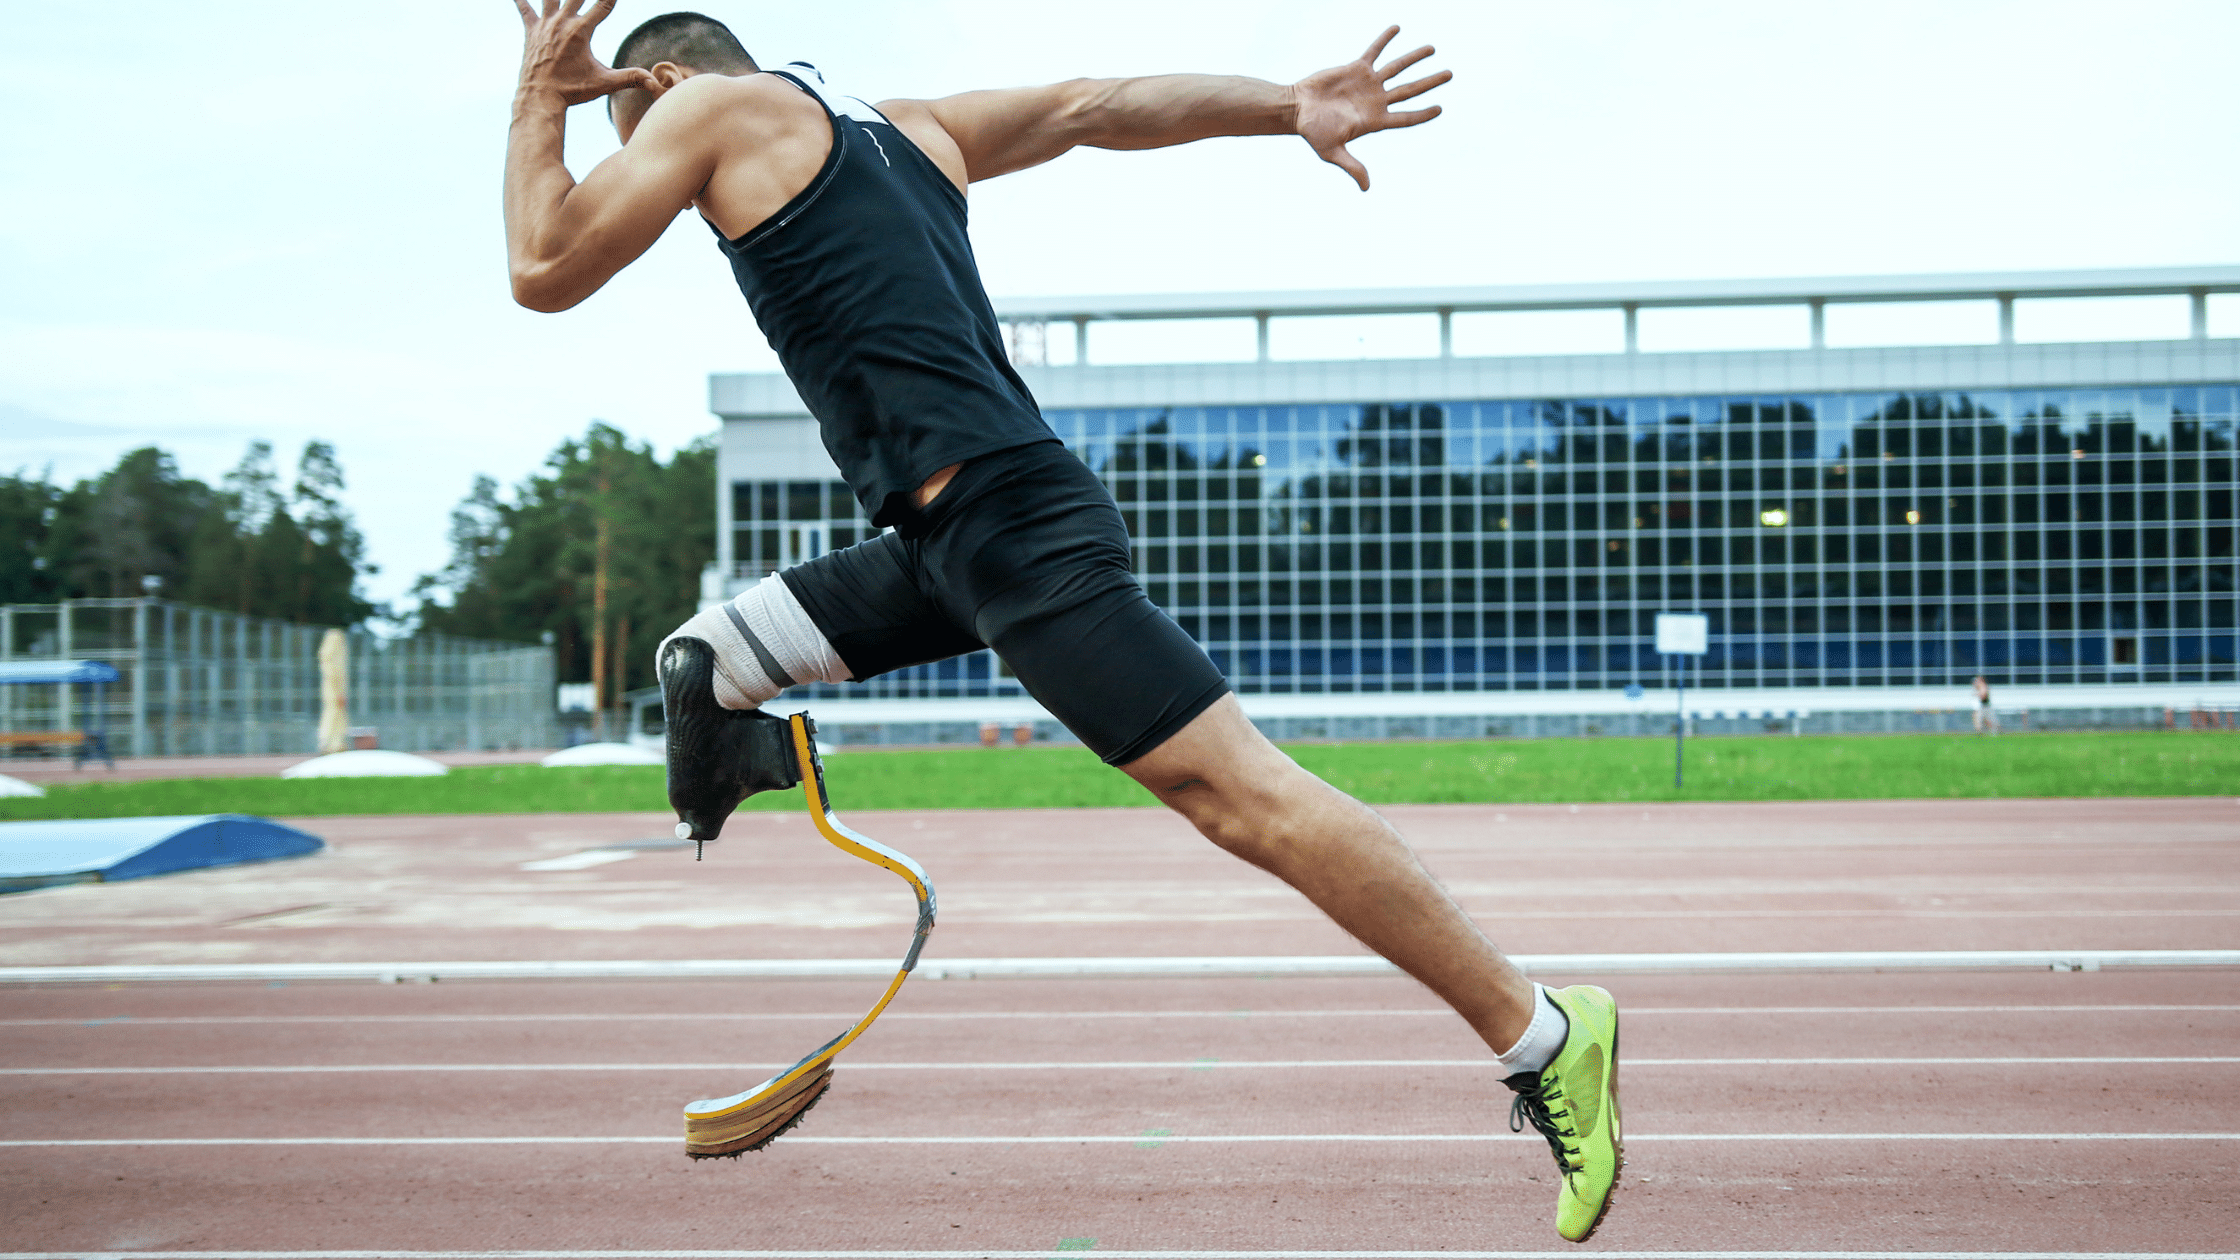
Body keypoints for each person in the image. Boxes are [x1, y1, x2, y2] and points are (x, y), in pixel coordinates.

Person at [502, 2, 1622, 1241]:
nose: (643, 180)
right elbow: (1090, 107)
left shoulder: (710, 106)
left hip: (1010, 530)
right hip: (937, 546)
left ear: (661, 84)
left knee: (1235, 795)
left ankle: (1541, 1030)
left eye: (626, 138)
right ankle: (760, 768)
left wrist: (537, 98)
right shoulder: (905, 127)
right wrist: (1282, 104)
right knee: (704, 663)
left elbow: (543, 268)